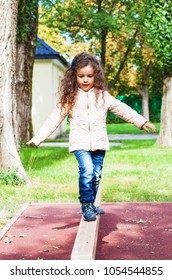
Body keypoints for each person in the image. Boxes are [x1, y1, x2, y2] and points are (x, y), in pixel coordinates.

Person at [27, 52, 156, 222]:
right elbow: (53, 119)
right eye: (81, 76)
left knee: (96, 175)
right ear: (74, 76)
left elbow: (123, 109)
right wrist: (38, 139)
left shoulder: (102, 96)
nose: (86, 80)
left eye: (89, 76)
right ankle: (86, 204)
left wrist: (141, 121)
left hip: (99, 143)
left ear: (96, 76)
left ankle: (92, 203)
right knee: (87, 171)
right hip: (80, 143)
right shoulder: (70, 98)